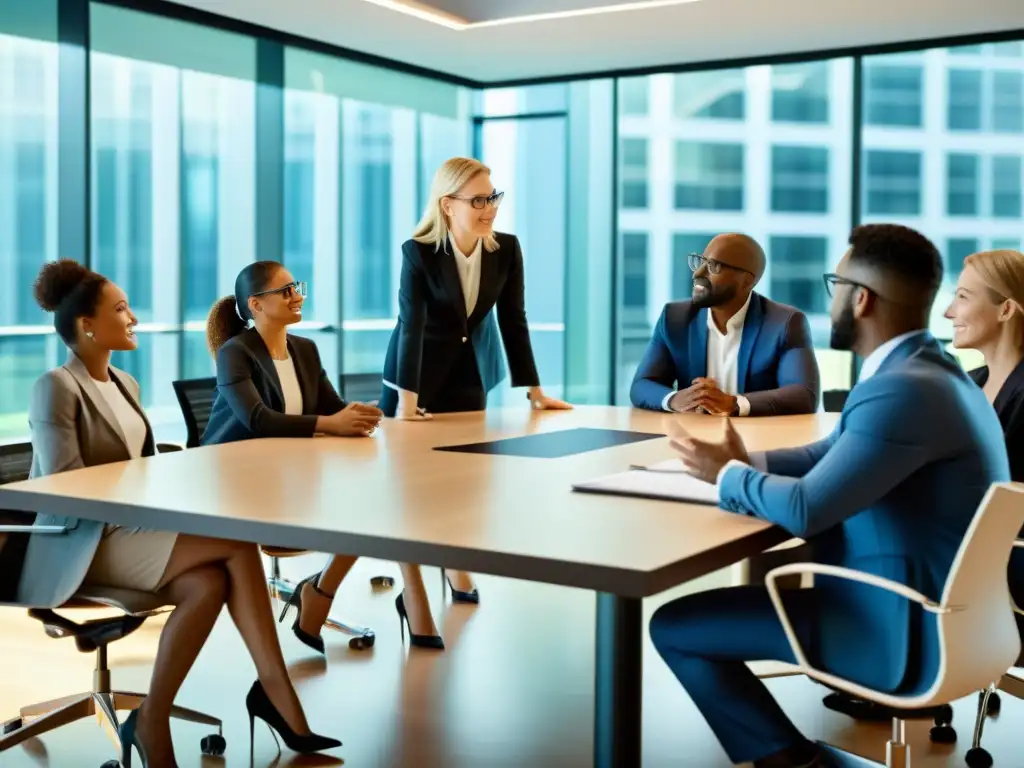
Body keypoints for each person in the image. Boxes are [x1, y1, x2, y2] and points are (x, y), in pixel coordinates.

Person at [649, 224, 1009, 768]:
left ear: (860, 299)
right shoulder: (934, 374)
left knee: (673, 626)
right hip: (952, 615)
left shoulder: (901, 389)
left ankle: (797, 763)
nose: (832, 298)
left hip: (897, 627)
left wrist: (726, 478)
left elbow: (805, 509)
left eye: (836, 284)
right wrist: (744, 461)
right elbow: (829, 456)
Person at [18, 260, 340, 767]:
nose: (134, 319)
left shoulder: (126, 383)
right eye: (120, 309)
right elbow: (65, 491)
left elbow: (141, 468)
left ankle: (152, 716)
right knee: (235, 542)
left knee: (208, 584)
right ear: (86, 325)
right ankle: (277, 692)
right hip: (80, 543)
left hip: (128, 531)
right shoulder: (55, 387)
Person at [377, 156, 572, 642]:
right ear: (448, 205)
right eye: (479, 200)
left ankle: (453, 561)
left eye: (493, 197)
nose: (490, 208)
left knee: (463, 483)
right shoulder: (418, 252)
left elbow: (514, 318)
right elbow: (412, 325)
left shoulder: (505, 249)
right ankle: (420, 584)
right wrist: (406, 402)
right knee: (414, 489)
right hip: (413, 377)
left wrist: (534, 389)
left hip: (468, 376)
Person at [202, 261, 383, 655]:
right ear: (256, 304)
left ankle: (319, 591)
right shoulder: (236, 353)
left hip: (293, 475)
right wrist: (333, 424)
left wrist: (360, 413)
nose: (297, 295)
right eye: (285, 290)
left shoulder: (305, 349)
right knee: (364, 511)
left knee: (376, 509)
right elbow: (257, 419)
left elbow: (330, 407)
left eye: (296, 287)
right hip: (242, 484)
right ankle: (315, 595)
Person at [630, 233, 820, 417]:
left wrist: (734, 403)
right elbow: (642, 385)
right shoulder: (675, 318)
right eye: (700, 261)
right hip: (691, 435)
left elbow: (803, 394)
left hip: (759, 440)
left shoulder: (784, 323)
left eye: (713, 266)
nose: (698, 273)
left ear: (747, 281)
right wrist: (675, 399)